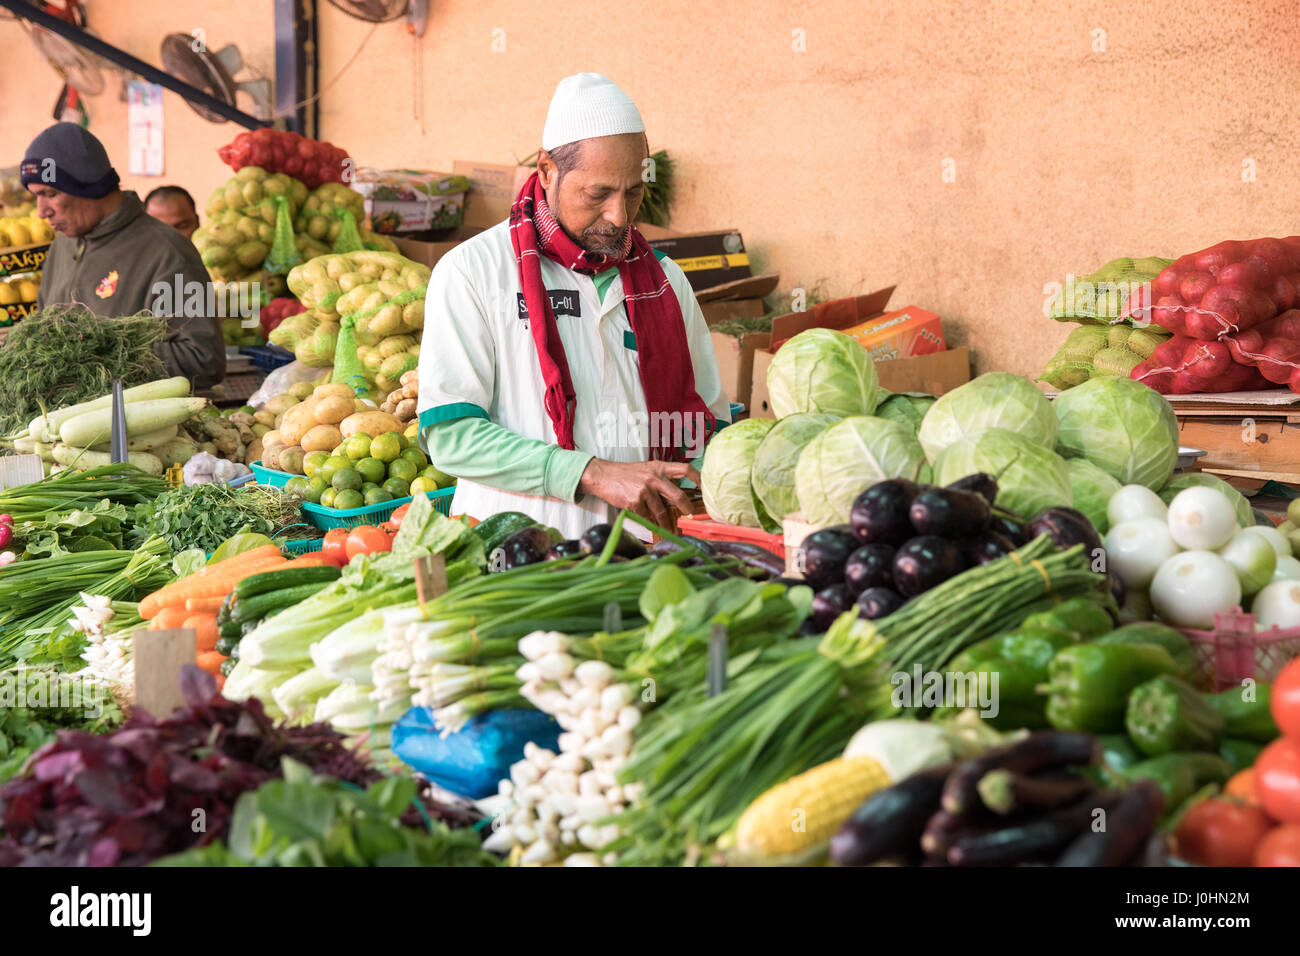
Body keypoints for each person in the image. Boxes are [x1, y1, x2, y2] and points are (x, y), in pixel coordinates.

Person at [417, 73, 731, 540]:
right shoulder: (472, 272)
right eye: (598, 194)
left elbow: (707, 421)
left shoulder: (665, 281)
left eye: (634, 192)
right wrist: (592, 472)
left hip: (647, 552)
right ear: (546, 171)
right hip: (516, 552)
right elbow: (452, 436)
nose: (619, 216)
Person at [22, 123, 226, 389]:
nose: (41, 211)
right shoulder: (62, 245)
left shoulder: (167, 252)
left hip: (129, 427)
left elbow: (204, 359)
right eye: (35, 196)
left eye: (50, 193)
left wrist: (97, 356)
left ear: (90, 187)